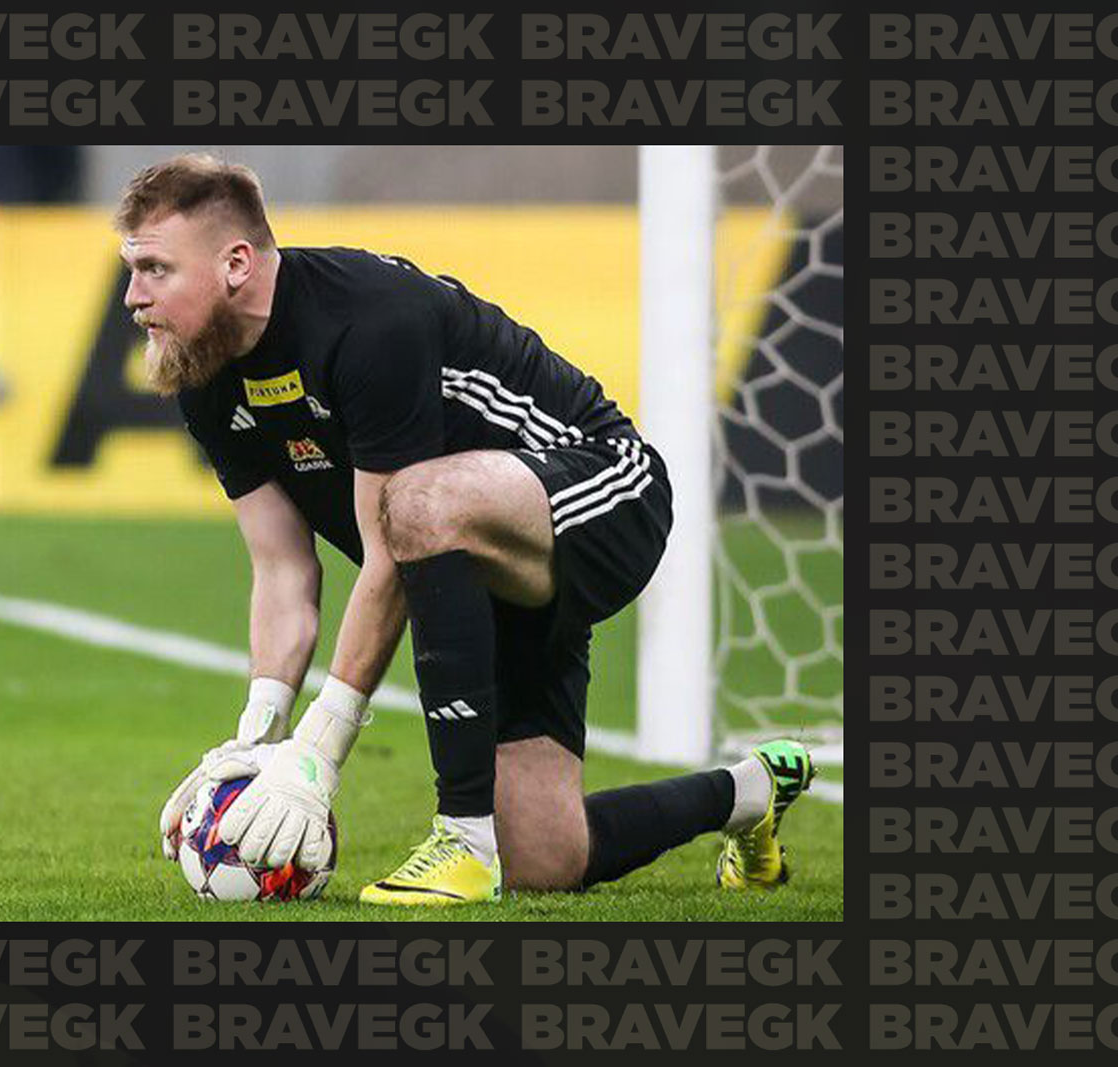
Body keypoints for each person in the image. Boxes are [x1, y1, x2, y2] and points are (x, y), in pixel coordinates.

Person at [127, 154, 815, 905]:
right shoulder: (204, 377)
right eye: (132, 270)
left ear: (235, 263)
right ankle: (751, 790)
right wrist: (258, 739)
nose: (134, 296)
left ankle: (463, 839)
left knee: (420, 501)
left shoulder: (367, 319)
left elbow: (387, 553)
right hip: (472, 567)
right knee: (546, 857)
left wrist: (318, 752)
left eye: (156, 269)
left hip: (605, 492)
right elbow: (283, 571)